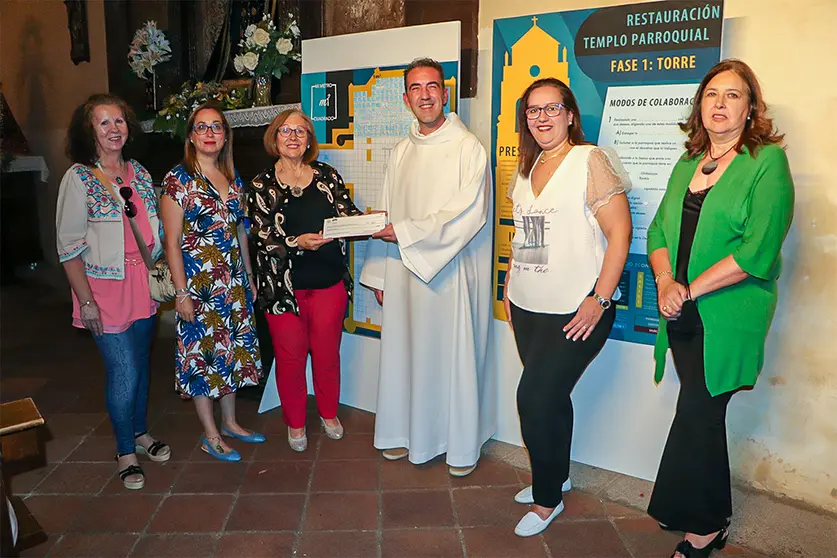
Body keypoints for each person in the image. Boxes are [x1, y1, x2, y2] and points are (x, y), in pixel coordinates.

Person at [646, 59, 795, 558]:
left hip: (729, 312)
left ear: (750, 107)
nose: (720, 104)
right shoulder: (687, 163)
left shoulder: (766, 162)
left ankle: (708, 526)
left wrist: (690, 289)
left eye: (733, 95)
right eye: (712, 94)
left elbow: (759, 247)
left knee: (701, 411)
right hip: (681, 307)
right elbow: (659, 232)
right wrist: (667, 279)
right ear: (700, 105)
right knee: (695, 407)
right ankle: (685, 504)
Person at [503, 78, 632, 537]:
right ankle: (555, 475)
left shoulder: (587, 159)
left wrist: (599, 298)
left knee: (534, 398)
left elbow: (620, 233)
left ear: (570, 114)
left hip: (577, 311)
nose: (541, 118)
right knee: (552, 397)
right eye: (533, 110)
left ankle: (546, 500)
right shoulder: (527, 164)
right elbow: (526, 235)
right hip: (527, 305)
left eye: (551, 108)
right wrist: (508, 283)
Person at [359, 57, 494, 477]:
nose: (425, 95)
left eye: (432, 86)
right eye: (416, 89)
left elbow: (468, 214)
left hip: (449, 273)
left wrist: (403, 232)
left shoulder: (468, 148)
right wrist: (380, 274)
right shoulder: (401, 151)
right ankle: (404, 433)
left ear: (445, 92)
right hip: (402, 271)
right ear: (405, 99)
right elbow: (386, 213)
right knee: (405, 354)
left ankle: (454, 444)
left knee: (447, 357)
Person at [56, 93, 170, 490]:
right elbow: (69, 247)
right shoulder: (79, 178)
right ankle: (125, 451)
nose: (113, 129)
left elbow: (151, 227)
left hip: (141, 283)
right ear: (89, 131)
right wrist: (85, 300)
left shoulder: (137, 171)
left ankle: (140, 432)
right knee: (123, 370)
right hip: (102, 288)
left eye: (118, 121)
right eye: (103, 123)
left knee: (140, 362)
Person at [247, 109, 361, 451]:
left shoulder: (328, 176)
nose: (294, 137)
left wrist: (371, 222)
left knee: (328, 356)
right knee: (290, 359)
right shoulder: (260, 185)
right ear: (274, 137)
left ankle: (328, 414)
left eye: (301, 131)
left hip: (328, 284)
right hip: (282, 289)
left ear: (310, 139)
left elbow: (348, 215)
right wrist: (297, 242)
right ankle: (295, 423)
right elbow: (261, 236)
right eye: (286, 131)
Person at [160, 102, 264, 463]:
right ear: (191, 136)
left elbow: (240, 231)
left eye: (216, 127)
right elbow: (171, 242)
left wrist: (248, 277)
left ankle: (232, 422)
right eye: (202, 127)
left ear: (225, 135)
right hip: (199, 286)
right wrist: (181, 293)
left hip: (232, 282)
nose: (209, 133)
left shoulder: (231, 176)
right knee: (202, 358)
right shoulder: (178, 180)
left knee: (231, 352)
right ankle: (210, 434)